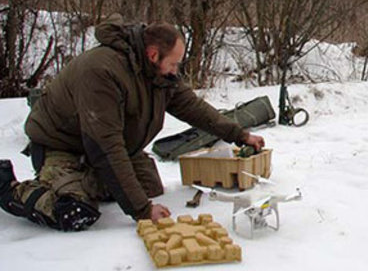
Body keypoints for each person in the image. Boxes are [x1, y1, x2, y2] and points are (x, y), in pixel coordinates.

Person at [0, 15, 265, 231]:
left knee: (149, 187)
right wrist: (141, 210)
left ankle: (90, 178)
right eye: (174, 63)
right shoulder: (101, 72)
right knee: (75, 212)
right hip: (62, 145)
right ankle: (9, 188)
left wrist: (239, 135)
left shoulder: (159, 74)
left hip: (105, 146)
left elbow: (194, 109)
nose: (177, 70)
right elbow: (106, 145)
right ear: (153, 55)